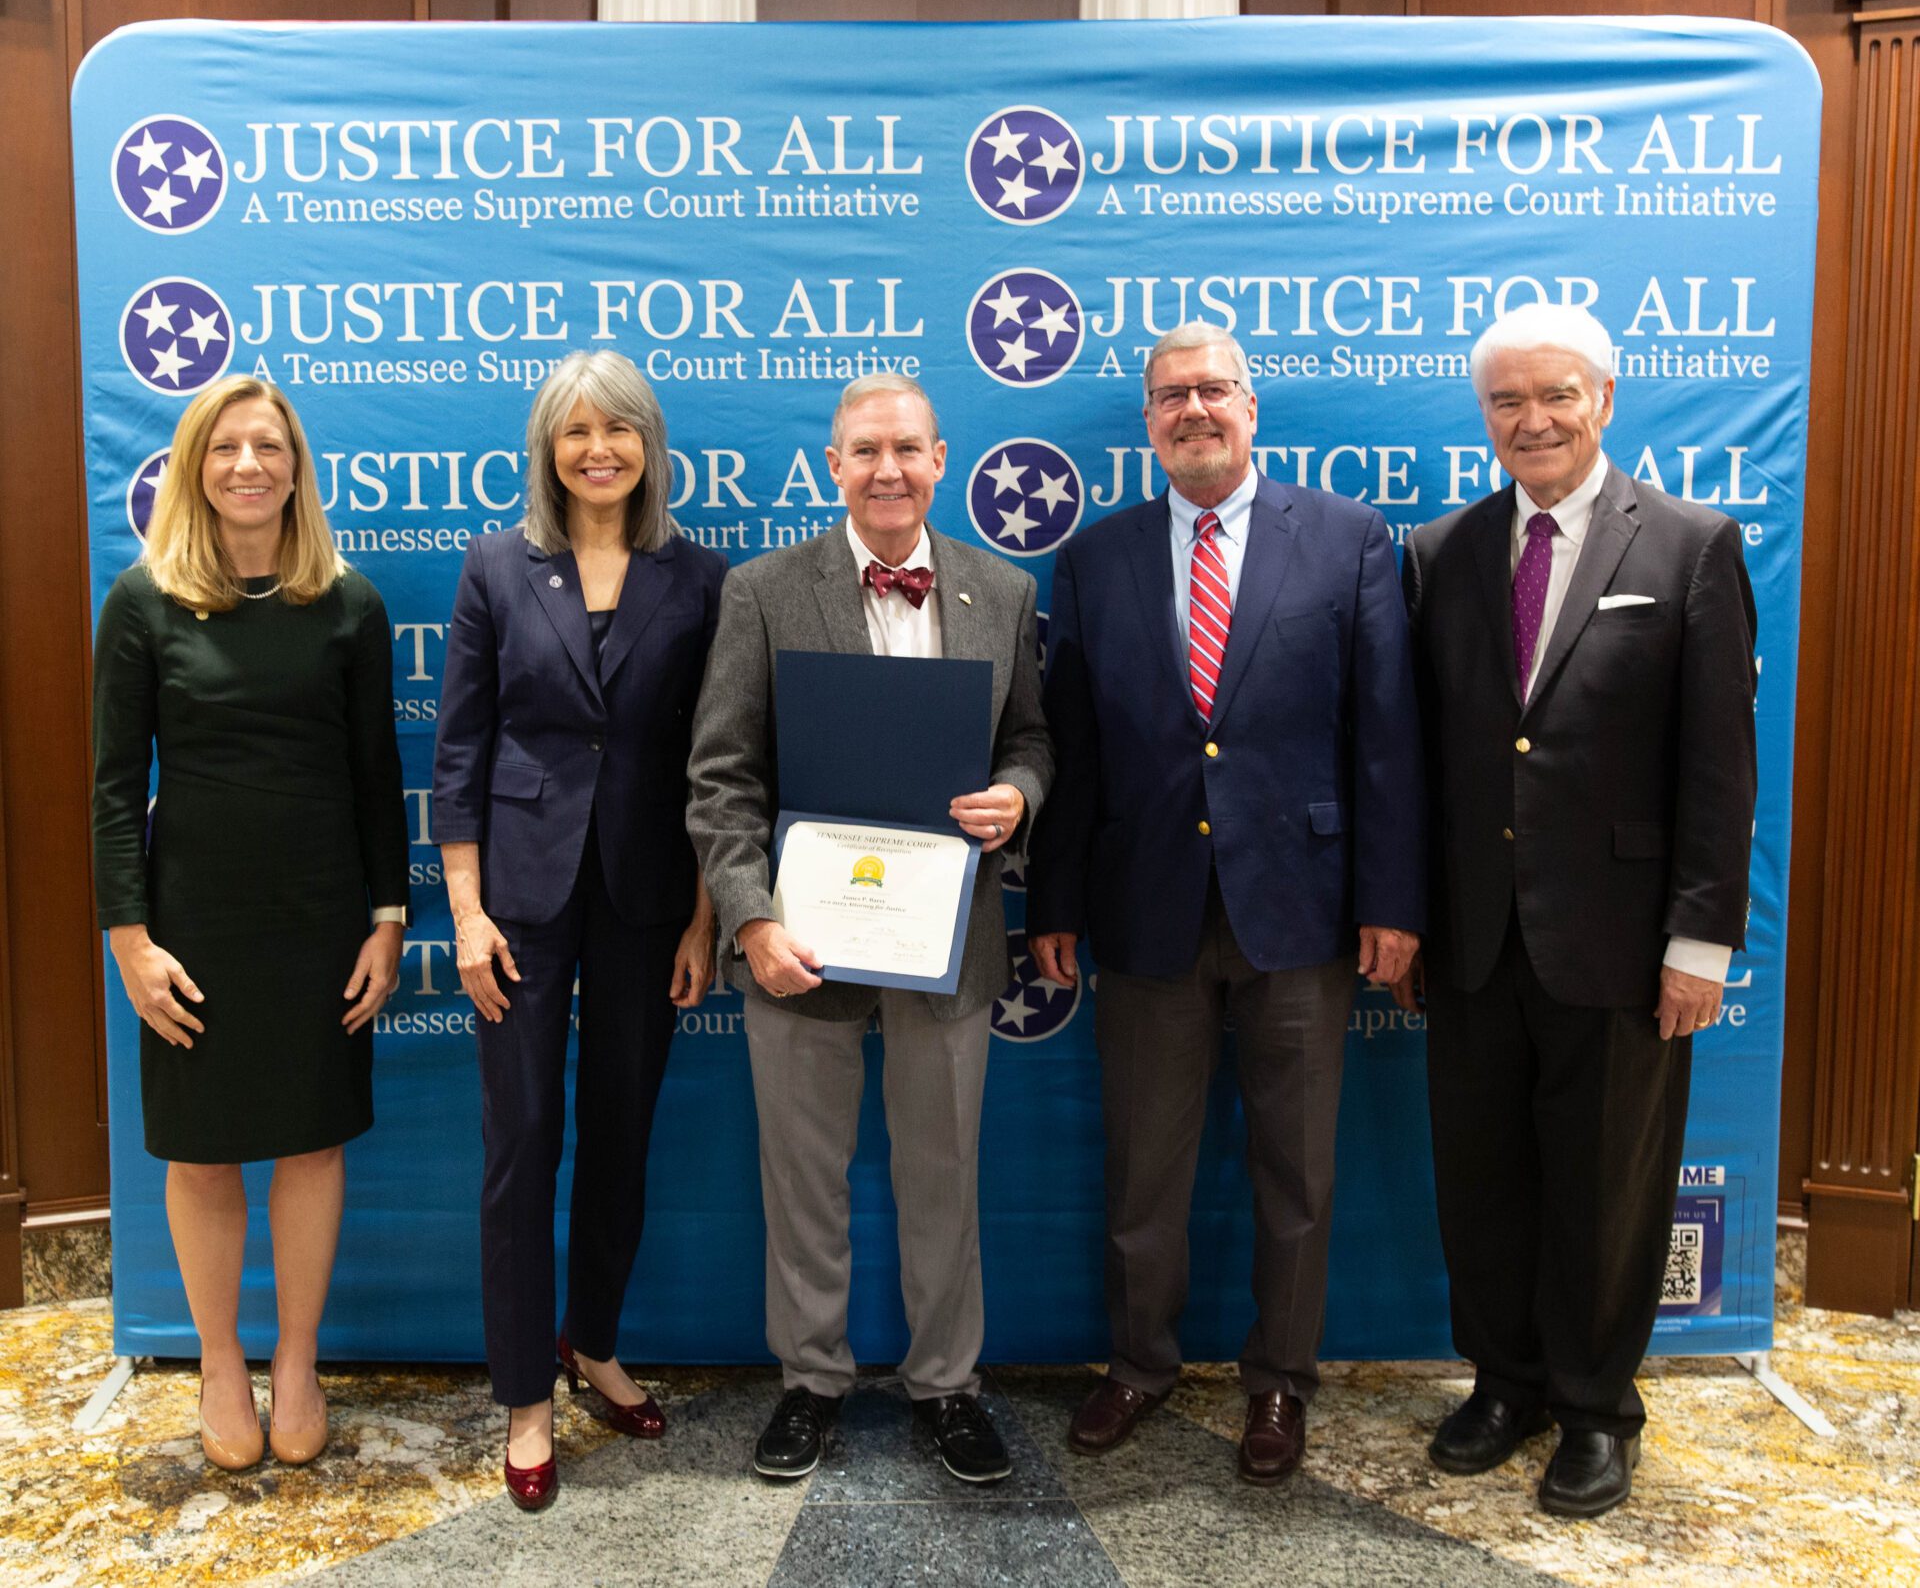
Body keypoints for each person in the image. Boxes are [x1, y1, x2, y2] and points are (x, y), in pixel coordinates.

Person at [1026, 321, 1424, 1485]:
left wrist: (1392, 900)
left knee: (1295, 1170)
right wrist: (1056, 896)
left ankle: (1280, 1380)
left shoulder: (1348, 538)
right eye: (1170, 395)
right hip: (1145, 905)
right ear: (1148, 420)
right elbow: (1075, 747)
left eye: (1213, 389)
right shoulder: (1096, 557)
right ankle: (1138, 1362)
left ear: (1252, 405)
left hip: (1303, 910)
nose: (1192, 409)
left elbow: (1386, 738)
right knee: (1145, 1165)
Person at [1399, 301, 1757, 1517]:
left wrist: (1700, 940)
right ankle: (1504, 1382)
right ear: (1484, 414)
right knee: (1482, 1173)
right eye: (1507, 400)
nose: (1533, 419)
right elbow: (1422, 753)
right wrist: (1409, 915)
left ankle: (1598, 1406)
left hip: (1622, 938)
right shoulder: (1441, 550)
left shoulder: (1691, 544)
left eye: (1556, 394)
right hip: (1472, 933)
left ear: (1604, 398)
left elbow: (1720, 765)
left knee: (1608, 1186)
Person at [686, 373, 1051, 1485]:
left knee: (944, 1173)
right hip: (800, 942)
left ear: (941, 458)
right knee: (804, 1179)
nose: (887, 469)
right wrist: (750, 919)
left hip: (948, 938)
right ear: (832, 465)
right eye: (864, 450)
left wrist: (1019, 794)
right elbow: (720, 774)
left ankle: (949, 1385)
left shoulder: (1004, 588)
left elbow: (1032, 737)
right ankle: (810, 1380)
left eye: (906, 448)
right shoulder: (762, 590)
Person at [92, 377, 408, 1472]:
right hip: (193, 925)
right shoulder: (142, 601)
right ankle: (221, 1359)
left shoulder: (348, 604)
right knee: (203, 1149)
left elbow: (377, 777)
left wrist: (386, 919)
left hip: (320, 916)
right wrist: (129, 939)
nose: (247, 465)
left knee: (312, 1139)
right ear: (195, 464)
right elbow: (114, 787)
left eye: (268, 446)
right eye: (225, 446)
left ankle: (297, 1358)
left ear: (296, 467)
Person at [432, 351, 726, 1512]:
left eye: (619, 429)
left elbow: (717, 760)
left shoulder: (698, 576)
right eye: (575, 431)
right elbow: (460, 751)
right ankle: (524, 1396)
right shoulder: (497, 565)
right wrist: (465, 913)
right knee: (521, 1142)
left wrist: (704, 914)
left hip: (649, 897)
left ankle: (592, 1340)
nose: (598, 449)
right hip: (518, 902)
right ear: (547, 450)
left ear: (650, 446)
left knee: (620, 1131)